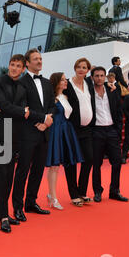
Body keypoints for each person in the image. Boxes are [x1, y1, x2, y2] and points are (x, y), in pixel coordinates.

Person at [12, 49, 55, 221]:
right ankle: (17, 207)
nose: (39, 61)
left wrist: (46, 121)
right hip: (27, 133)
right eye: (35, 59)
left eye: (40, 58)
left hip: (44, 133)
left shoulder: (46, 82)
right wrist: (41, 120)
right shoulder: (21, 83)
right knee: (22, 171)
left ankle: (31, 202)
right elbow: (22, 107)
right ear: (27, 63)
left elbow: (52, 105)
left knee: (37, 170)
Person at [0, 54, 29, 232]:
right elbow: (4, 105)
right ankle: (3, 215)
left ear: (23, 68)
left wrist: (7, 109)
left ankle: (0, 211)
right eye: (12, 65)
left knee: (9, 176)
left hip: (15, 136)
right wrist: (18, 111)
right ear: (9, 65)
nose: (14, 68)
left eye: (18, 66)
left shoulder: (22, 85)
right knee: (1, 176)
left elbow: (14, 108)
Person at [45, 72, 84, 210]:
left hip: (67, 131)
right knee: (54, 166)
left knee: (61, 164)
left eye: (65, 79)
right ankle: (53, 197)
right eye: (62, 80)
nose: (65, 81)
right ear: (56, 82)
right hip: (56, 131)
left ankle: (52, 196)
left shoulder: (66, 96)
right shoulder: (52, 99)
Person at [91, 67, 128, 203]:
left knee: (117, 162)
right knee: (96, 164)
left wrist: (117, 130)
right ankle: (97, 191)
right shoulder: (89, 92)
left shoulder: (112, 91)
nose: (99, 78)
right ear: (92, 77)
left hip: (112, 130)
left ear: (105, 77)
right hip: (97, 131)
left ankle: (114, 191)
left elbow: (119, 111)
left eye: (102, 75)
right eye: (97, 76)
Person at [63, 58, 96, 207]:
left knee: (89, 159)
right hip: (72, 129)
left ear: (88, 70)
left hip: (87, 129)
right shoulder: (67, 85)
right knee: (71, 162)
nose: (81, 69)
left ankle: (82, 191)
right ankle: (74, 194)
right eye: (79, 67)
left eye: (84, 67)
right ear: (75, 68)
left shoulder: (89, 83)